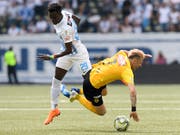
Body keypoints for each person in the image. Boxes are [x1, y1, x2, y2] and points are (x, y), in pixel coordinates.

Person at [37, 3, 92, 125]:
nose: (53, 20)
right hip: (66, 54)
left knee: (90, 82)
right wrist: (75, 32)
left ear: (59, 13)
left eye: (55, 18)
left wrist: (51, 57)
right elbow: (77, 19)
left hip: (78, 53)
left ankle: (82, 93)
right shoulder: (65, 13)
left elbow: (69, 49)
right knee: (56, 80)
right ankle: (54, 109)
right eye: (51, 17)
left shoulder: (65, 29)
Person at [69, 49, 152, 122]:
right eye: (140, 62)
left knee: (104, 92)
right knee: (102, 112)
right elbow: (133, 91)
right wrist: (133, 110)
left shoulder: (121, 54)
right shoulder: (126, 71)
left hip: (93, 71)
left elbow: (128, 52)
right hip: (91, 85)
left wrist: (142, 55)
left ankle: (78, 91)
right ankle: (76, 96)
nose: (140, 65)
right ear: (135, 60)